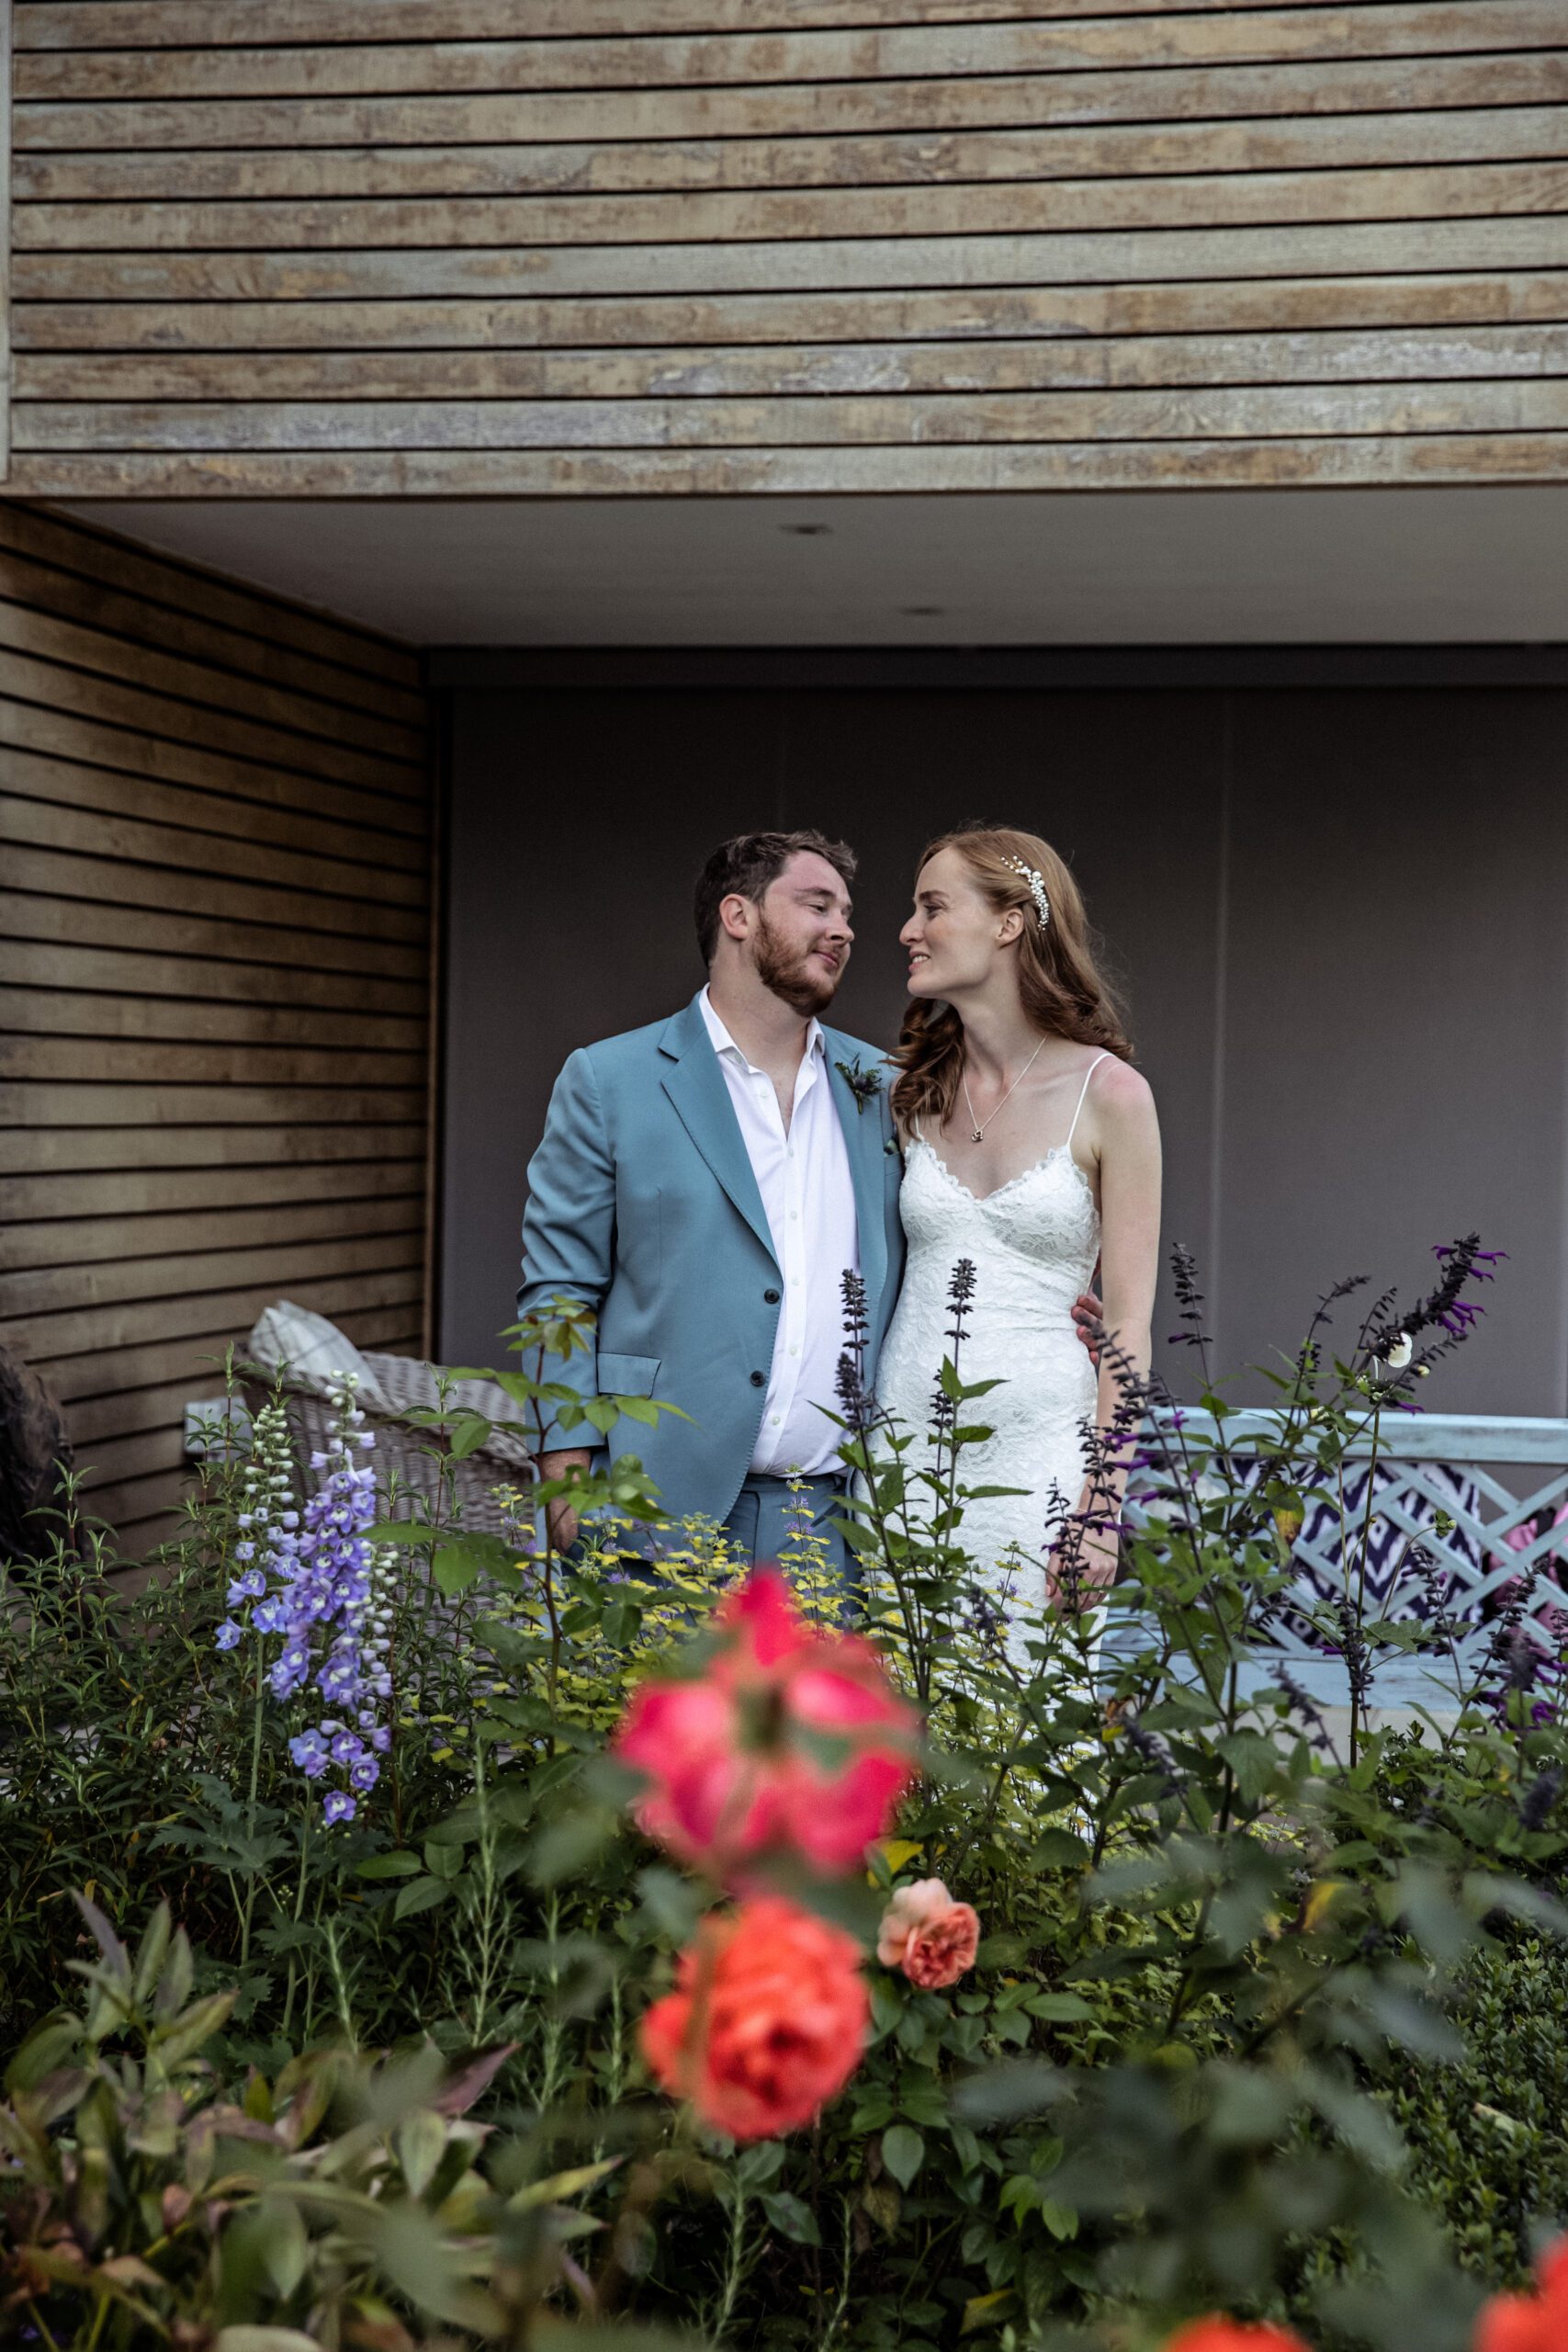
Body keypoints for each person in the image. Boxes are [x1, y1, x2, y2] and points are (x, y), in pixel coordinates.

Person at [519, 830, 905, 1573]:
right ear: (739, 915)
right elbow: (558, 1290)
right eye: (816, 905)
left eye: (847, 913)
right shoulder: (609, 1080)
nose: (844, 930)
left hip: (837, 1522)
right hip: (649, 1507)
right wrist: (565, 1477)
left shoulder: (884, 1087)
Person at [873, 824, 1162, 1655]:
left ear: (1007, 923)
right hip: (899, 1458)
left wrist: (1101, 1512)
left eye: (932, 906)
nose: (907, 930)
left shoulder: (1112, 1096)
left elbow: (1129, 1323)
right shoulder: (904, 1092)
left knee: (1028, 1742)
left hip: (1041, 1471)